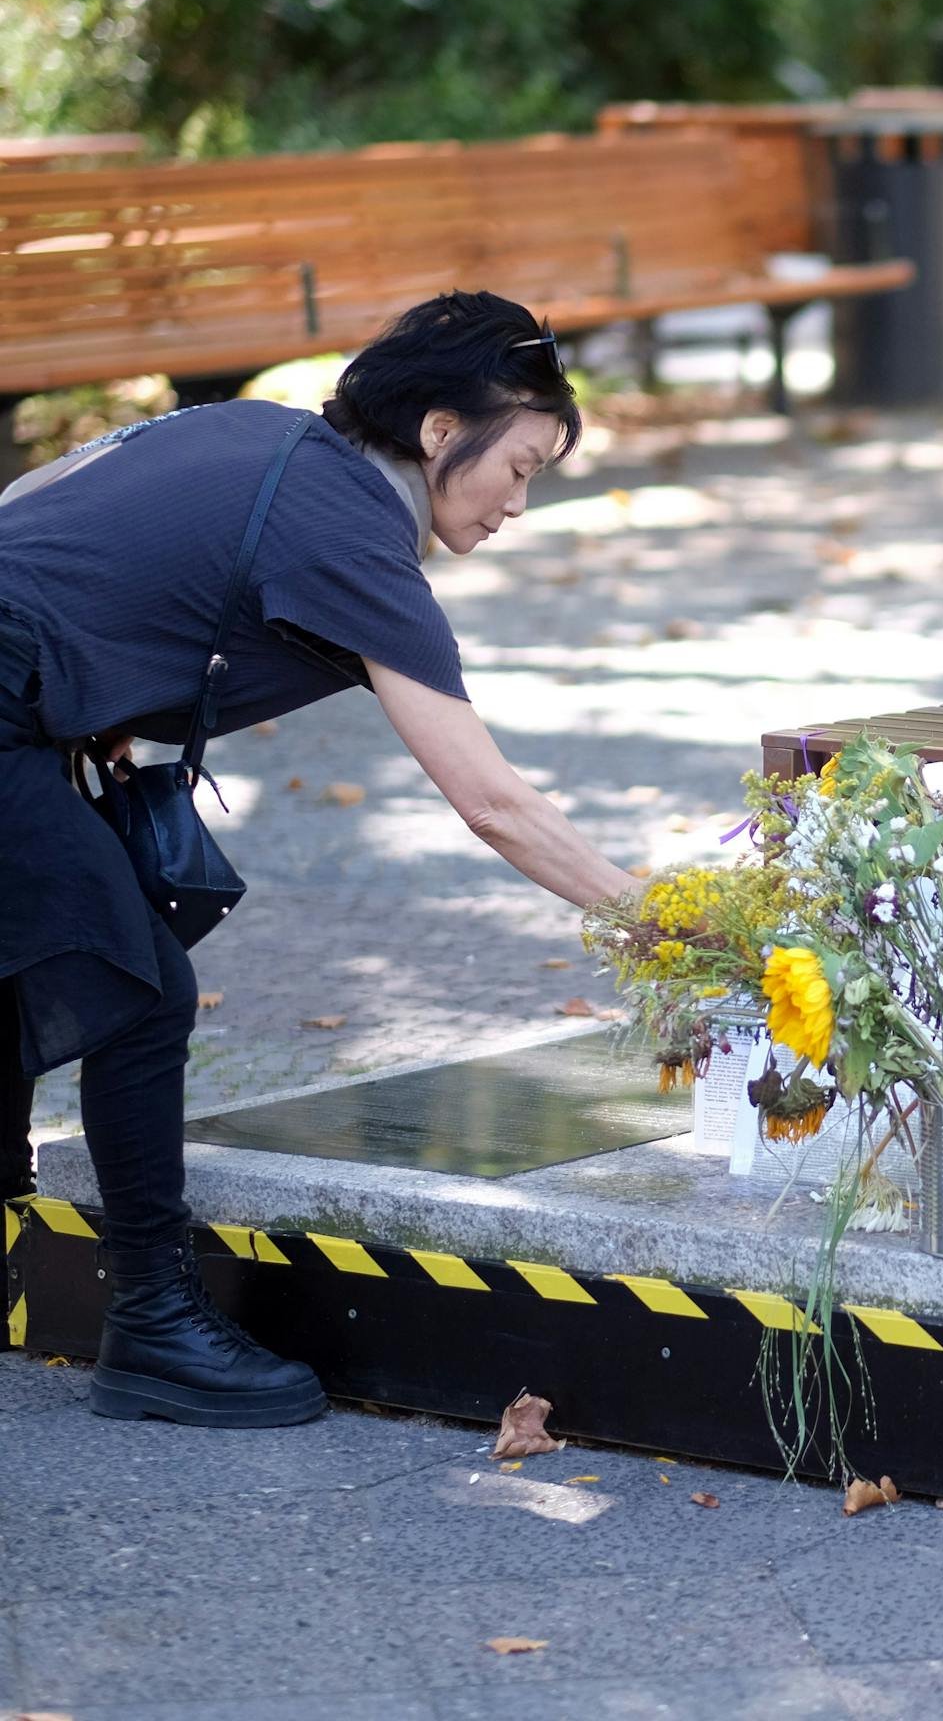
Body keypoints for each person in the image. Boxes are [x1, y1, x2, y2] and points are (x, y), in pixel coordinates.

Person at [0, 290, 644, 1424]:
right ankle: (152, 1320)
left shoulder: (262, 433)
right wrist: (663, 919)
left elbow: (30, 502)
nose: (518, 504)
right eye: (522, 468)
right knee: (140, 987)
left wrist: (88, 660)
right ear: (443, 430)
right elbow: (491, 801)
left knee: (59, 949)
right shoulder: (349, 531)